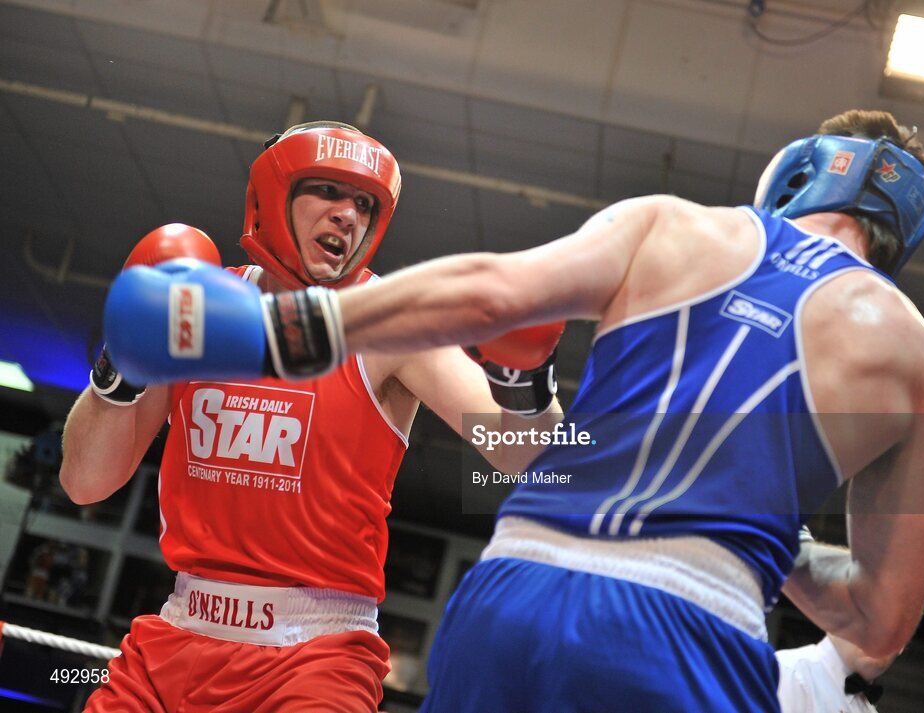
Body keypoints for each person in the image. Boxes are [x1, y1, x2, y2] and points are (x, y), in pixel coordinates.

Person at [103, 110, 924, 712]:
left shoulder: (679, 226)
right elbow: (880, 620)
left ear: (799, 171)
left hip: (520, 585)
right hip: (694, 623)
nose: (348, 218)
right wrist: (778, 538)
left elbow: (487, 294)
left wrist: (269, 331)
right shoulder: (919, 363)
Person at [60, 121, 563, 712]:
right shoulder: (194, 309)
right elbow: (84, 480)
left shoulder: (390, 327)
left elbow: (536, 459)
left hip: (315, 657)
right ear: (273, 196)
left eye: (364, 204)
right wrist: (125, 359)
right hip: (177, 635)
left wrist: (523, 380)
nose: (348, 215)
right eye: (327, 190)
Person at [777, 632, 898, 713]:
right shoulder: (790, 671)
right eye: (867, 615)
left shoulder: (868, 709)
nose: (877, 634)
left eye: (893, 629)